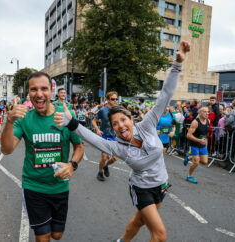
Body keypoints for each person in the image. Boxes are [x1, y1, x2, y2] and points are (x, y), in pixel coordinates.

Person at [54, 41, 190, 242]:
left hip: (161, 185)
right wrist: (71, 123)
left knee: (139, 222)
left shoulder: (148, 124)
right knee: (160, 235)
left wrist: (177, 65)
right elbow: (90, 136)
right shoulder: (116, 146)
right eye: (115, 124)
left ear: (131, 119)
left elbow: (165, 96)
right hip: (141, 188)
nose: (121, 126)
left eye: (123, 120)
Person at [1, 72, 84, 242]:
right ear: (28, 93)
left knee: (57, 235)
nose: (39, 93)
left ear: (51, 91)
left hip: (60, 187)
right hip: (34, 186)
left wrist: (71, 165)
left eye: (43, 88)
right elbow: (7, 150)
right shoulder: (23, 119)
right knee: (43, 236)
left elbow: (79, 147)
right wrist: (9, 121)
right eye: (34, 89)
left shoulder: (67, 116)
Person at [92, 91, 119, 181]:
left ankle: (106, 166)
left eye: (116, 99)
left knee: (115, 158)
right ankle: (100, 172)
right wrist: (97, 129)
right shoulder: (103, 110)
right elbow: (93, 121)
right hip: (104, 136)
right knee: (104, 157)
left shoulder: (117, 110)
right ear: (108, 100)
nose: (115, 101)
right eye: (113, 99)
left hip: (113, 136)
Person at [185, 106, 210, 183]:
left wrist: (206, 143)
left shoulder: (208, 121)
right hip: (194, 144)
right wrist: (199, 140)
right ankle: (189, 176)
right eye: (205, 111)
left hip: (202, 144)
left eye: (208, 112)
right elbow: (188, 135)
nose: (207, 113)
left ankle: (189, 157)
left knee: (205, 161)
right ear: (199, 112)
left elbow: (205, 135)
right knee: (196, 162)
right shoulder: (195, 122)